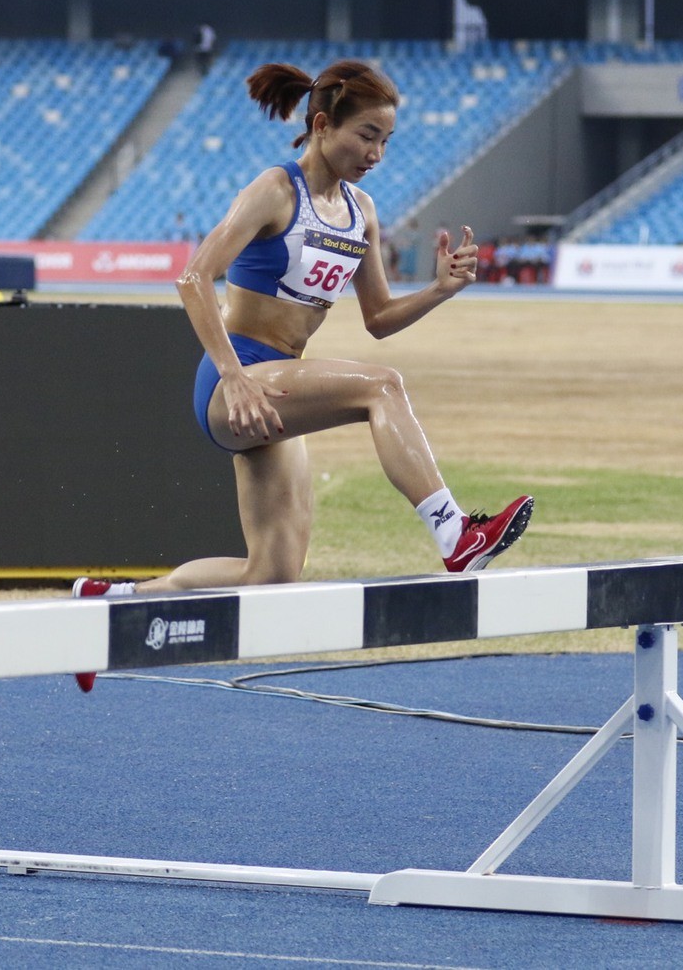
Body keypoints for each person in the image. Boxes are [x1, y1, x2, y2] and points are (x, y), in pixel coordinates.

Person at [71, 60, 533, 654]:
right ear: (321, 124)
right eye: (366, 135)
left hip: (275, 388)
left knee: (271, 574)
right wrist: (235, 378)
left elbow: (379, 319)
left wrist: (440, 290)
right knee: (381, 388)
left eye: (387, 140)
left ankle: (111, 605)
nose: (377, 153)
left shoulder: (362, 211)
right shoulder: (273, 191)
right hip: (232, 379)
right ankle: (456, 535)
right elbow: (194, 279)